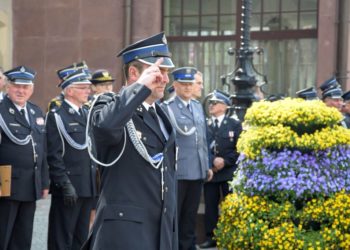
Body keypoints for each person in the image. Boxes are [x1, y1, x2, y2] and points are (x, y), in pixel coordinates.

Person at [82, 32, 178, 250]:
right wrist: (140, 88)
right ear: (134, 73)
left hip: (160, 230)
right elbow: (105, 127)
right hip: (125, 234)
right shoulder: (109, 105)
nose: (165, 79)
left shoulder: (162, 115)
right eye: (157, 72)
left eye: (166, 72)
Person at [162, 67, 212, 250]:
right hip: (178, 171)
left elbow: (203, 139)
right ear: (174, 85)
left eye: (190, 84)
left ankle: (188, 247)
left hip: (197, 170)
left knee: (190, 217)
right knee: (175, 216)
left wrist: (206, 166)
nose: (188, 88)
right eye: (183, 84)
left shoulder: (198, 107)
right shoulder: (168, 108)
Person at [46, 69, 97, 250]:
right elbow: (54, 155)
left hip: (87, 186)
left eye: (88, 88)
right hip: (70, 187)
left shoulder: (86, 113)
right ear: (69, 91)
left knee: (81, 238)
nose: (88, 91)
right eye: (82, 88)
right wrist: (64, 184)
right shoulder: (57, 116)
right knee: (62, 238)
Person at [0, 66, 49, 250]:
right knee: (3, 235)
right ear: (7, 87)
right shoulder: (1, 111)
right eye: (16, 86)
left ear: (32, 89)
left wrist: (44, 182)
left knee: (23, 236)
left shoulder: (36, 112)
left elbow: (41, 149)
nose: (21, 91)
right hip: (6, 185)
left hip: (30, 184)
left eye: (25, 87)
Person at [199, 91, 242, 249]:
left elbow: (239, 149)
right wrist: (212, 161)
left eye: (215, 103)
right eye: (210, 103)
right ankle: (211, 237)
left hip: (228, 172)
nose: (211, 105)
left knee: (230, 206)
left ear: (224, 106)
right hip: (211, 173)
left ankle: (231, 236)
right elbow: (201, 147)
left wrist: (225, 161)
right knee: (210, 207)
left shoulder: (234, 124)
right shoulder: (204, 123)